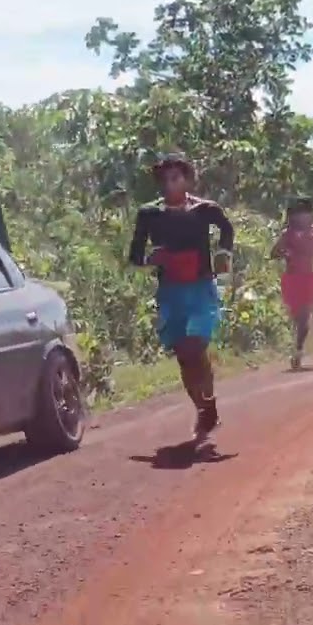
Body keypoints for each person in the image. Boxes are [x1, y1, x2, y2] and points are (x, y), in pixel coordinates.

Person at [128, 154, 235, 444]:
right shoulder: (149, 214)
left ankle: (207, 404)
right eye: (164, 179)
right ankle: (204, 409)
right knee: (185, 357)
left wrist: (223, 254)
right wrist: (152, 257)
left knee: (196, 348)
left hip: (201, 287)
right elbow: (135, 254)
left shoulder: (204, 210)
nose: (169, 184)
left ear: (187, 179)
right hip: (170, 290)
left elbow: (226, 229)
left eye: (175, 178)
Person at [271, 197, 313, 370]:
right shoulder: (288, 234)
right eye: (298, 214)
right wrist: (286, 253)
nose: (302, 217)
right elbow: (273, 253)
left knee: (303, 318)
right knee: (296, 318)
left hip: (308, 278)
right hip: (292, 278)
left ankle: (298, 350)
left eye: (305, 213)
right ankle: (294, 346)